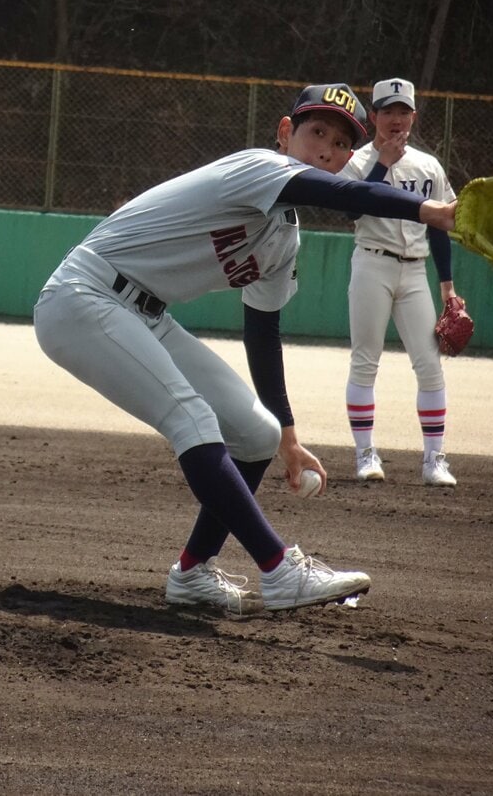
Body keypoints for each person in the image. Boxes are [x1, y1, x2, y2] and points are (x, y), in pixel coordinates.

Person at [34, 83, 457, 614]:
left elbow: (262, 332)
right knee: (191, 417)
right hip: (83, 296)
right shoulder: (257, 168)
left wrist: (288, 437)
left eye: (339, 143)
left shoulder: (283, 239)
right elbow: (345, 196)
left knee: (255, 434)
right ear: (285, 133)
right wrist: (432, 211)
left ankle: (192, 573)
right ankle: (279, 570)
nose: (324, 148)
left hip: (143, 313)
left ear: (350, 156)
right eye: (315, 132)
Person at [340, 77, 459, 487]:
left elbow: (442, 225)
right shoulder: (356, 162)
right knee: (365, 360)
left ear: (413, 117)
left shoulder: (428, 165)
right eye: (387, 111)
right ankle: (365, 453)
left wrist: (448, 285)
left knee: (430, 366)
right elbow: (351, 208)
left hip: (414, 272)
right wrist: (382, 164)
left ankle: (434, 460)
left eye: (402, 112)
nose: (395, 119)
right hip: (372, 265)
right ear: (373, 116)